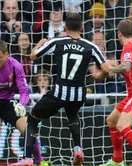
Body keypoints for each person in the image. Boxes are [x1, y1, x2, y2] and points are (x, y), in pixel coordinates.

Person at [11, 13, 110, 166]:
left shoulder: (57, 41)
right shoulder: (90, 46)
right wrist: (99, 76)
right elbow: (105, 69)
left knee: (32, 119)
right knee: (72, 114)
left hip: (59, 92)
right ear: (82, 27)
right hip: (78, 94)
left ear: (65, 27)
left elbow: (32, 56)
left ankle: (28, 159)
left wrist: (40, 43)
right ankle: (78, 150)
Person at [99, 20, 132, 166]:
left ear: (119, 34)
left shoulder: (129, 47)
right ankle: (117, 160)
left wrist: (110, 69)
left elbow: (126, 67)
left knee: (121, 125)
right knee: (112, 120)